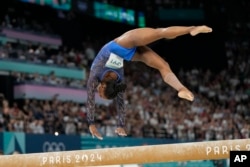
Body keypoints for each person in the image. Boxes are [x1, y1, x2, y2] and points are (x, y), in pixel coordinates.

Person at [86, 25, 213, 140]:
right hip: (131, 54)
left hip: (122, 43)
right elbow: (120, 101)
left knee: (159, 33)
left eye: (100, 92)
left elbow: (90, 98)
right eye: (100, 93)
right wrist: (120, 125)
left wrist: (91, 124)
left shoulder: (96, 73)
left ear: (103, 84)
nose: (97, 92)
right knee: (163, 65)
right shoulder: (118, 82)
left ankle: (191, 29)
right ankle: (181, 88)